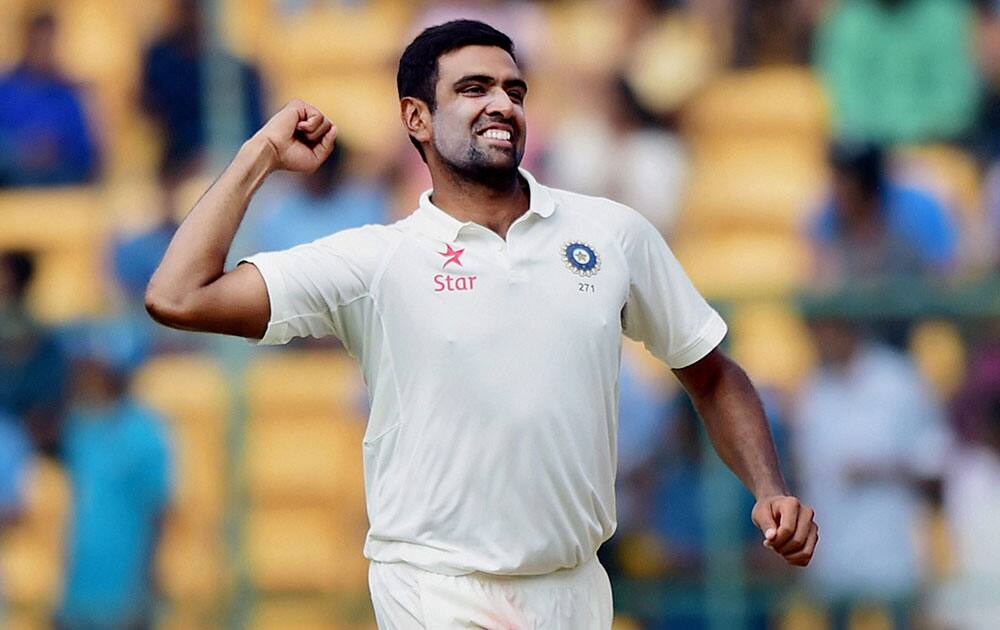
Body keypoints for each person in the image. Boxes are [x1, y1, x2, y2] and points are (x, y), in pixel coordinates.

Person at [144, 20, 818, 628]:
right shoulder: (378, 261)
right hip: (436, 590)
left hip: (573, 588)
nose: (502, 104)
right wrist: (259, 154)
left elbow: (709, 373)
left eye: (514, 90)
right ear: (416, 117)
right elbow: (179, 296)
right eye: (473, 88)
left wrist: (770, 489)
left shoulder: (613, 234)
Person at [792, 315, 950, 629]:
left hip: (893, 546)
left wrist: (879, 471)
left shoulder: (900, 381)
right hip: (831, 551)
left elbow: (934, 464)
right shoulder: (813, 388)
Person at [54, 325, 172, 629]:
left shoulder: (145, 432)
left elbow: (158, 511)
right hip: (75, 591)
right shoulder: (76, 425)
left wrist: (145, 584)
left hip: (124, 593)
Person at [0, 12, 99, 187]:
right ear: (26, 42)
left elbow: (88, 156)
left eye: (48, 44)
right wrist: (21, 150)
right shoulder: (5, 91)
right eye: (38, 43)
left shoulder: (68, 96)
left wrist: (56, 150)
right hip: (11, 193)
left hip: (60, 193)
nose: (43, 50)